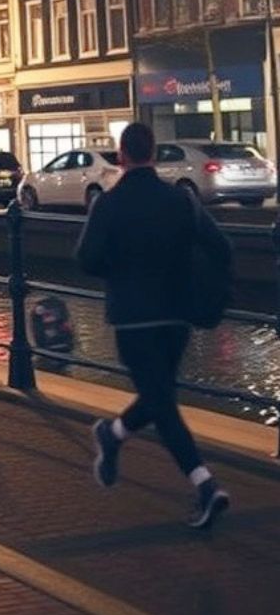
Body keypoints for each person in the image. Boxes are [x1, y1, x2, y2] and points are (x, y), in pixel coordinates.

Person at [76, 121, 232, 530]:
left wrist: (122, 268)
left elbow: (87, 259)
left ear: (121, 155)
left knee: (159, 400)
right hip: (176, 317)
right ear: (155, 152)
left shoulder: (108, 204)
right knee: (161, 397)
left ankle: (203, 483)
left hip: (132, 317)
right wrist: (204, 288)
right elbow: (221, 247)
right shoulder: (181, 200)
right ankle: (119, 439)